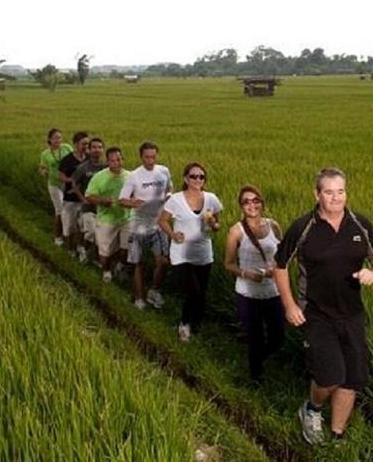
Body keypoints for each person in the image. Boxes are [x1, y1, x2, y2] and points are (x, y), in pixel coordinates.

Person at [273, 167, 373, 446]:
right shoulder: (303, 227)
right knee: (330, 377)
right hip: (316, 313)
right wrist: (289, 305)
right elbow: (279, 266)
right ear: (317, 194)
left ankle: (337, 435)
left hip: (352, 313)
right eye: (329, 192)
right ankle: (311, 410)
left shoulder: (360, 224)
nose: (336, 198)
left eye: (341, 191)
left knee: (352, 378)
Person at [223, 184, 284, 382]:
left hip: (273, 291)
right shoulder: (236, 231)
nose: (252, 205)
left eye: (255, 200)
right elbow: (228, 264)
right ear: (241, 206)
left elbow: (283, 257)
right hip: (247, 293)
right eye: (246, 202)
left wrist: (275, 269)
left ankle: (257, 359)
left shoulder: (273, 226)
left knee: (278, 338)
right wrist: (247, 273)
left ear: (262, 203)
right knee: (255, 338)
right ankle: (255, 376)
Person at [159, 162, 222, 342]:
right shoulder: (176, 200)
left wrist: (213, 224)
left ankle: (196, 325)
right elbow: (162, 220)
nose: (197, 179)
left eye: (201, 176)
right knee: (192, 292)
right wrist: (172, 233)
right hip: (181, 254)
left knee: (201, 292)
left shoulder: (211, 199)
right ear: (186, 179)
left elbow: (217, 225)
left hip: (203, 252)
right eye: (193, 176)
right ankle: (184, 324)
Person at [118, 142, 173, 310]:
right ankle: (139, 298)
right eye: (147, 157)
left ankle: (154, 290)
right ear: (141, 157)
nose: (150, 160)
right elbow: (122, 200)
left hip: (159, 225)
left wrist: (168, 199)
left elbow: (170, 189)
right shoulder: (134, 176)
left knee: (163, 261)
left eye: (153, 156)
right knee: (138, 263)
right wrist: (133, 202)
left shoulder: (163, 171)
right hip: (139, 226)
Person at [85, 147, 131, 283]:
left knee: (126, 248)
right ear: (107, 162)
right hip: (106, 219)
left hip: (126, 218)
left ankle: (120, 266)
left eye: (119, 159)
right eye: (113, 160)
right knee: (105, 251)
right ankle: (106, 271)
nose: (117, 163)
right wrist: (102, 201)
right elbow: (89, 196)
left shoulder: (130, 176)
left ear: (123, 159)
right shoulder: (99, 177)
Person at [72, 137, 108, 259]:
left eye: (99, 147)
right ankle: (83, 250)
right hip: (88, 207)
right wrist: (82, 199)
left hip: (103, 207)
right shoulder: (83, 167)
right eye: (94, 147)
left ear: (103, 149)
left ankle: (96, 256)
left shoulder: (107, 167)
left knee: (102, 236)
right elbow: (74, 183)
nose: (97, 150)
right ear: (89, 149)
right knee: (91, 233)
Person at [57, 131, 90, 261]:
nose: (85, 147)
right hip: (70, 199)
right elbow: (60, 176)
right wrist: (72, 181)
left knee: (83, 227)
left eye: (87, 144)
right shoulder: (67, 160)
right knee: (70, 227)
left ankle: (80, 247)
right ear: (75, 144)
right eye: (83, 144)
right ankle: (70, 248)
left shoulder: (89, 159)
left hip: (85, 199)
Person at [37, 128, 72, 246]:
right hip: (54, 184)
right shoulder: (45, 154)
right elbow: (42, 167)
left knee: (69, 210)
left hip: (67, 183)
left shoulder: (67, 148)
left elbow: (75, 159)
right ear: (49, 140)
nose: (58, 140)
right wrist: (43, 172)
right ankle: (57, 236)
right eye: (55, 137)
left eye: (60, 137)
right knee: (60, 210)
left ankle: (68, 235)